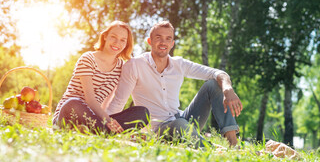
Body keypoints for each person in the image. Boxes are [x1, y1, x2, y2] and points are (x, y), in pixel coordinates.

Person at [107, 21, 243, 147]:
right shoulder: (135, 65)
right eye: (158, 38)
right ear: (150, 41)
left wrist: (228, 89)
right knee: (180, 124)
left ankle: (233, 143)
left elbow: (217, 73)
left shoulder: (179, 64)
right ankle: (211, 148)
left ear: (172, 43)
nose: (163, 42)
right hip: (158, 130)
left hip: (181, 120)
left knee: (213, 85)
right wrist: (105, 124)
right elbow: (119, 101)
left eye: (168, 39)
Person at [53, 21, 149, 134]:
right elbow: (90, 99)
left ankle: (98, 131)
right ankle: (105, 132)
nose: (117, 43)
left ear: (126, 43)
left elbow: (106, 102)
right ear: (105, 37)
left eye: (123, 40)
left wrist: (107, 120)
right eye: (113, 37)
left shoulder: (120, 67)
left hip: (93, 118)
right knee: (73, 103)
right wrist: (108, 120)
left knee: (142, 112)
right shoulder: (88, 59)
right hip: (69, 114)